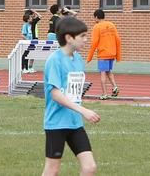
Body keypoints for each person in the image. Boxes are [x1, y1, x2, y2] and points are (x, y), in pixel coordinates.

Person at [41, 16, 101, 176]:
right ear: (69, 38)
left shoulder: (78, 59)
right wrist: (83, 110)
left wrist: (79, 111)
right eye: (82, 36)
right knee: (52, 170)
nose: (86, 40)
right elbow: (55, 94)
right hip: (56, 123)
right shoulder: (54, 60)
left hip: (75, 123)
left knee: (89, 167)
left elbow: (72, 91)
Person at [85, 9, 121, 98]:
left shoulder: (97, 27)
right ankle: (115, 87)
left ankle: (104, 94)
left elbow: (94, 43)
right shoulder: (111, 25)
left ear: (96, 17)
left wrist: (89, 57)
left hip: (103, 53)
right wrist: (118, 55)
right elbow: (118, 39)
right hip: (112, 53)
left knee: (103, 73)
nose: (94, 20)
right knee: (109, 71)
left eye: (94, 18)